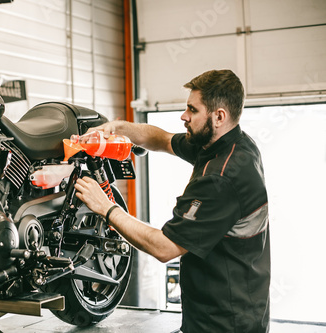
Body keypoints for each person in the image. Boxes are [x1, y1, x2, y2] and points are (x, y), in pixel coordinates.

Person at [74, 69, 270, 333]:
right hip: (225, 312)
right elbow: (162, 139)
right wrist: (117, 128)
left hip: (225, 323)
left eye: (192, 109)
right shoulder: (229, 144)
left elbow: (165, 247)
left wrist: (107, 208)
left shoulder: (222, 177)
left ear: (219, 116)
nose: (183, 116)